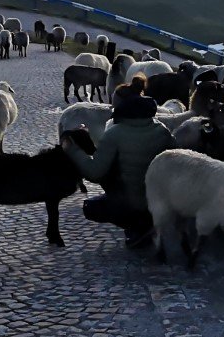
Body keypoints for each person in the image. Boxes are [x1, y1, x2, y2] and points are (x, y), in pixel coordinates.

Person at [61, 77, 174, 248]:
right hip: (161, 200)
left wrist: (74, 149)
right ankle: (150, 223)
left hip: (136, 201)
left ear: (121, 108)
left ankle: (138, 226)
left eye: (113, 106)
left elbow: (94, 172)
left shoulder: (115, 133)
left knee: (91, 207)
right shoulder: (161, 129)